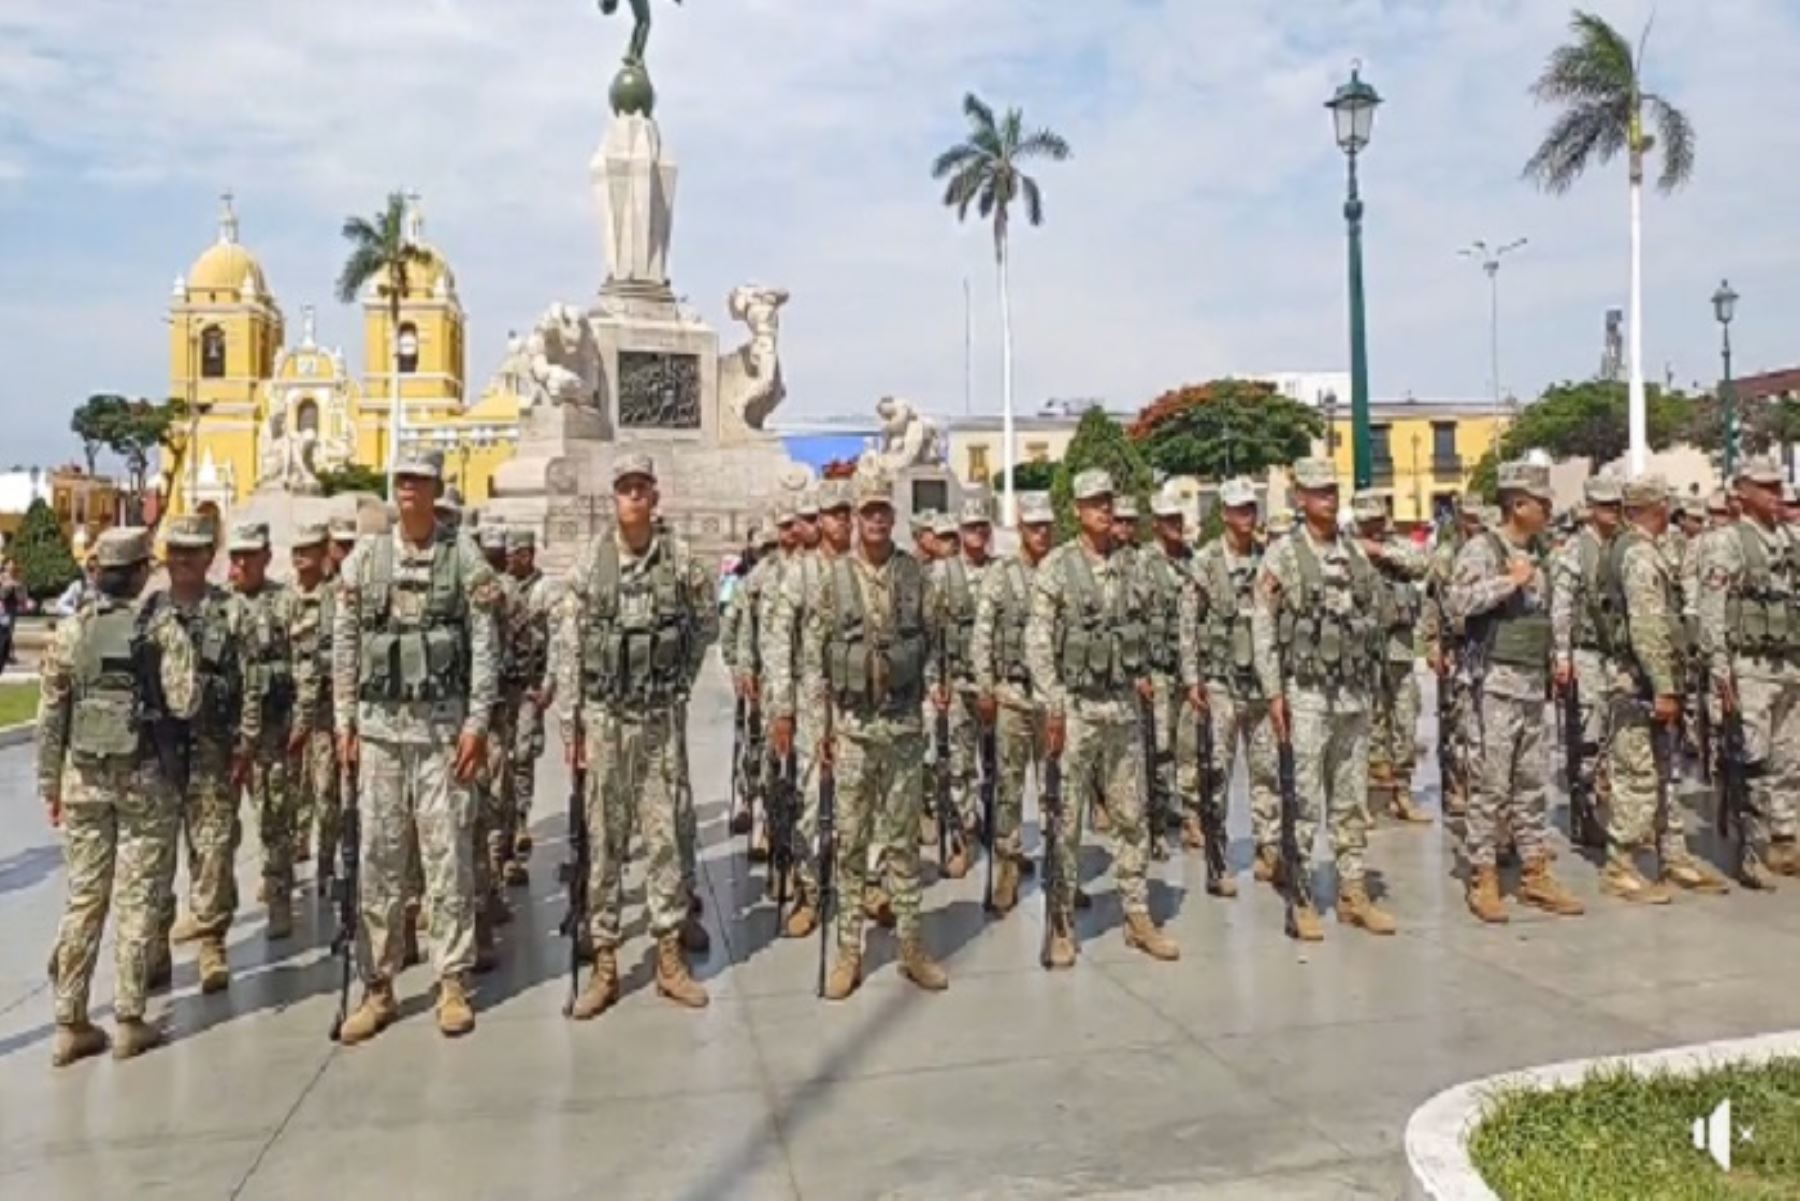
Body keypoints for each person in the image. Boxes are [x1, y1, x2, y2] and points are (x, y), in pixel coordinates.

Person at [332, 450, 501, 1042]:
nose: (409, 490)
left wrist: (477, 723)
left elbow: (485, 644)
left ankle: (451, 980)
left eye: (420, 482)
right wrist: (344, 720)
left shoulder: (464, 560)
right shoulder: (366, 560)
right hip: (379, 733)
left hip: (440, 735)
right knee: (378, 860)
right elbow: (346, 642)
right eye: (401, 480)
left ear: (435, 490)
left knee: (446, 856)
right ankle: (378, 986)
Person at [778, 473, 950, 999]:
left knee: (900, 843)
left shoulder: (913, 575)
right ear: (856, 517)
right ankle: (849, 949)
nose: (875, 519)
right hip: (851, 730)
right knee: (850, 842)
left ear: (893, 517)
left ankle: (911, 946)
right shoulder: (833, 581)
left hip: (900, 727)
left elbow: (936, 639)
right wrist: (821, 726)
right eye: (867, 511)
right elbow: (816, 657)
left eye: (883, 511)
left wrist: (938, 689)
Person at [558, 454, 717, 1018]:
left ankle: (669, 959)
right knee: (603, 841)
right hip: (604, 720)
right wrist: (570, 724)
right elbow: (570, 645)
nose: (633, 499)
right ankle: (605, 961)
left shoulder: (680, 562)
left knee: (665, 838)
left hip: (657, 721)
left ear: (654, 497)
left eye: (641, 489)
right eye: (624, 489)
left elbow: (706, 622)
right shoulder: (589, 564)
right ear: (614, 497)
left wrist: (682, 682)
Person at [39, 527, 198, 1064]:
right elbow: (184, 700)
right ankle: (129, 1018)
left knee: (84, 898)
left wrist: (49, 785)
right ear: (138, 573)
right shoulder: (160, 627)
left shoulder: (69, 631)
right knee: (136, 896)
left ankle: (70, 1023)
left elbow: (51, 715)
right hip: (144, 778)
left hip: (82, 779)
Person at [1026, 468, 1180, 967]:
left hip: (1122, 708)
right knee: (1066, 818)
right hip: (1075, 708)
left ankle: (1137, 913)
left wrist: (1147, 675)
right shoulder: (1056, 567)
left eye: (1108, 501)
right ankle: (1062, 920)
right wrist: (1053, 702)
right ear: (1077, 510)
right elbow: (1038, 642)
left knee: (1132, 815)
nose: (1104, 509)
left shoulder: (1134, 565)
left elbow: (1155, 624)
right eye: (1094, 502)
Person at [1251, 458, 1396, 941]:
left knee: (1351, 800)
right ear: (1299, 499)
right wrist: (1273, 692)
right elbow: (1263, 627)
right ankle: (1302, 898)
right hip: (1308, 695)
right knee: (1306, 801)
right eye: (1317, 492)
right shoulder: (1283, 555)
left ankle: (1354, 891)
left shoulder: (1354, 551)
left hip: (1352, 694)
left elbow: (1374, 612)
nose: (1328, 499)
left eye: (1332, 491)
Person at [1448, 462, 1584, 922]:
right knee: (1489, 784)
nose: (1548, 510)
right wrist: (1511, 581)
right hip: (1492, 686)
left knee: (1531, 783)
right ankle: (1483, 875)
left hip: (1530, 684)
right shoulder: (1481, 549)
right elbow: (1457, 604)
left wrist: (1557, 661)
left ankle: (1534, 872)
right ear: (1517, 504)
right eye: (1541, 503)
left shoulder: (1543, 551)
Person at [1602, 476, 1732, 899]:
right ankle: (1620, 865)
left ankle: (1672, 855)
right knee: (1638, 774)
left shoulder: (1642, 549)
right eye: (1666, 507)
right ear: (1655, 507)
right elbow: (1646, 627)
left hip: (1648, 679)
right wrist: (1663, 687)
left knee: (1664, 775)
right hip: (1637, 682)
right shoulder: (1638, 555)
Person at [1698, 457, 1800, 888]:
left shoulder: (1791, 539)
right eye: (1767, 487)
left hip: (1789, 666)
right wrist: (1721, 672)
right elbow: (1711, 612)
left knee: (1789, 759)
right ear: (1744, 492)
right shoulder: (1727, 543)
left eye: (1779, 487)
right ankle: (1750, 849)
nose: (1777, 495)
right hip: (1749, 668)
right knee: (1750, 760)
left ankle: (1784, 838)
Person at [155, 515, 243, 994]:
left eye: (193, 551)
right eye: (176, 551)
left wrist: (246, 740)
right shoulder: (151, 613)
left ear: (210, 557)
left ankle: (211, 941)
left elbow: (248, 680)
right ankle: (152, 949)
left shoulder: (230, 612)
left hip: (211, 749)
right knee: (155, 855)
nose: (184, 560)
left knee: (212, 850)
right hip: (159, 757)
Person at [761, 482, 853, 938]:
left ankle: (863, 888)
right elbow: (779, 640)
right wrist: (782, 707)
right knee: (812, 799)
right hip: (813, 700)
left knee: (859, 800)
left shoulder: (866, 570)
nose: (840, 522)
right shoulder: (801, 573)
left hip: (860, 702)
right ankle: (811, 890)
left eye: (844, 513)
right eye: (832, 514)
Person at [1185, 478, 1278, 886]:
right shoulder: (1205, 562)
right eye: (1239, 509)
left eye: (1251, 508)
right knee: (1217, 771)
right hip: (1220, 683)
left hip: (1259, 686)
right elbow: (1188, 623)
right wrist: (1192, 679)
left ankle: (1269, 848)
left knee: (1267, 770)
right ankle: (1217, 857)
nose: (1247, 517)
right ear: (1223, 513)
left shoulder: (1270, 560)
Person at [970, 491, 1055, 913]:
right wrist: (986, 688)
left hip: (1054, 701)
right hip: (1012, 695)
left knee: (1057, 789)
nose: (1042, 533)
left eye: (1047, 526)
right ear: (1021, 528)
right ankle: (1006, 866)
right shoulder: (1002, 575)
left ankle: (1062, 871)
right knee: (1007, 787)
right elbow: (982, 633)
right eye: (1034, 526)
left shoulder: (1061, 571)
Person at [226, 522, 300, 940]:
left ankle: (279, 898)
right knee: (217, 829)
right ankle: (212, 916)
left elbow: (305, 665)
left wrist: (302, 719)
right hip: (226, 737)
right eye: (235, 556)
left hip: (273, 733)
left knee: (275, 820)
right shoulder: (218, 607)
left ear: (266, 557)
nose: (241, 564)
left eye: (249, 556)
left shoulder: (284, 603)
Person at [1351, 491, 1433, 825]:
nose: (1373, 526)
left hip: (1401, 643)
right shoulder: (1345, 548)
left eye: (1377, 519)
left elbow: (1421, 563)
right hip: (1361, 646)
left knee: (1406, 717)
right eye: (1366, 521)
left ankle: (1403, 792)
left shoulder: (1397, 545)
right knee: (1367, 721)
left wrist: (1381, 552)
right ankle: (1364, 801)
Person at [1551, 476, 1624, 849]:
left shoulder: (1620, 545)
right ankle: (1584, 811)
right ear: (1592, 509)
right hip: (1586, 652)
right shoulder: (1577, 550)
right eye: (1607, 506)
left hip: (1614, 655)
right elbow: (1561, 605)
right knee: (1588, 733)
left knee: (1613, 732)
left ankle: (1604, 802)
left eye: (1617, 505)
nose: (1614, 513)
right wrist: (1562, 656)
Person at [925, 495, 996, 877]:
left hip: (995, 685)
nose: (978, 534)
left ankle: (1002, 839)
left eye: (983, 527)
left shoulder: (1001, 572)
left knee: (999, 766)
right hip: (957, 681)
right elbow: (931, 631)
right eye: (970, 528)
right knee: (958, 763)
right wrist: (936, 680)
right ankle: (964, 835)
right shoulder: (942, 574)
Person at [1137, 486, 1198, 862]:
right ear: (1157, 524)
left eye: (1179, 518)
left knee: (1191, 750)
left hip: (1189, 674)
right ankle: (1155, 827)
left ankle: (1192, 819)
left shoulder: (1195, 561)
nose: (1176, 525)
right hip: (1157, 673)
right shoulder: (1144, 563)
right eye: (1169, 520)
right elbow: (1134, 621)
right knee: (1157, 752)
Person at [287, 522, 341, 891]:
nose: (301, 558)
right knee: (291, 789)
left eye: (309, 551)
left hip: (323, 714)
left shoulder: (333, 599)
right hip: (287, 711)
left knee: (325, 789)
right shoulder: (285, 600)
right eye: (297, 551)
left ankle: (326, 859)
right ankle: (293, 851)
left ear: (324, 554)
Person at [503, 528, 553, 869]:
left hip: (529, 686)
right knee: (501, 760)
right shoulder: (499, 587)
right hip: (501, 688)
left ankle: (520, 819)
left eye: (517, 553)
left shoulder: (544, 590)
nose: (511, 558)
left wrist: (549, 684)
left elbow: (556, 640)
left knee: (522, 755)